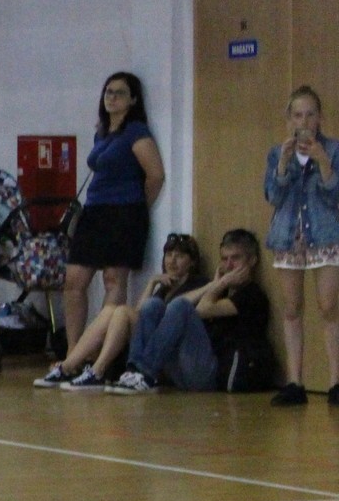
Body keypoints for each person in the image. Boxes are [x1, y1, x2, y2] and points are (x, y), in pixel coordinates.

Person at [64, 72, 165, 350]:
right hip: (94, 211)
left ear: (133, 99)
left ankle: (100, 351)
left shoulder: (136, 132)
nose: (112, 97)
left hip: (123, 214)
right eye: (108, 91)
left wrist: (136, 207)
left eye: (120, 93)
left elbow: (155, 175)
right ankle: (74, 350)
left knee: (113, 280)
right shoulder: (102, 132)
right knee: (74, 281)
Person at [109, 229, 274, 394]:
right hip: (185, 367)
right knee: (153, 305)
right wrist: (217, 285)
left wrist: (220, 283)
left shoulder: (251, 294)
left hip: (212, 375)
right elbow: (171, 307)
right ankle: (134, 371)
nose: (229, 266)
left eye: (235, 258)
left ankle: (145, 373)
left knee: (181, 306)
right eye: (224, 259)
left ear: (252, 260)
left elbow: (201, 309)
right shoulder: (220, 291)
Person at [44, 233, 206, 389]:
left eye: (180, 256)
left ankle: (97, 370)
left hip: (170, 352)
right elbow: (142, 315)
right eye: (169, 255)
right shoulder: (165, 287)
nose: (172, 261)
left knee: (122, 312)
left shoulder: (197, 284)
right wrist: (152, 283)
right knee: (112, 310)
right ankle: (69, 366)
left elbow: (175, 311)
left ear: (192, 262)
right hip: (152, 346)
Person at [262, 85, 339, 407]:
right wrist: (282, 165)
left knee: (329, 306)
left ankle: (335, 382)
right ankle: (295, 382)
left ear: (319, 118)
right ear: (289, 119)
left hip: (325, 234)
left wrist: (324, 164)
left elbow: (334, 198)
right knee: (292, 308)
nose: (304, 121)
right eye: (297, 115)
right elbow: (273, 196)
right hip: (288, 235)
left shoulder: (333, 150)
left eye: (310, 114)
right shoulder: (277, 153)